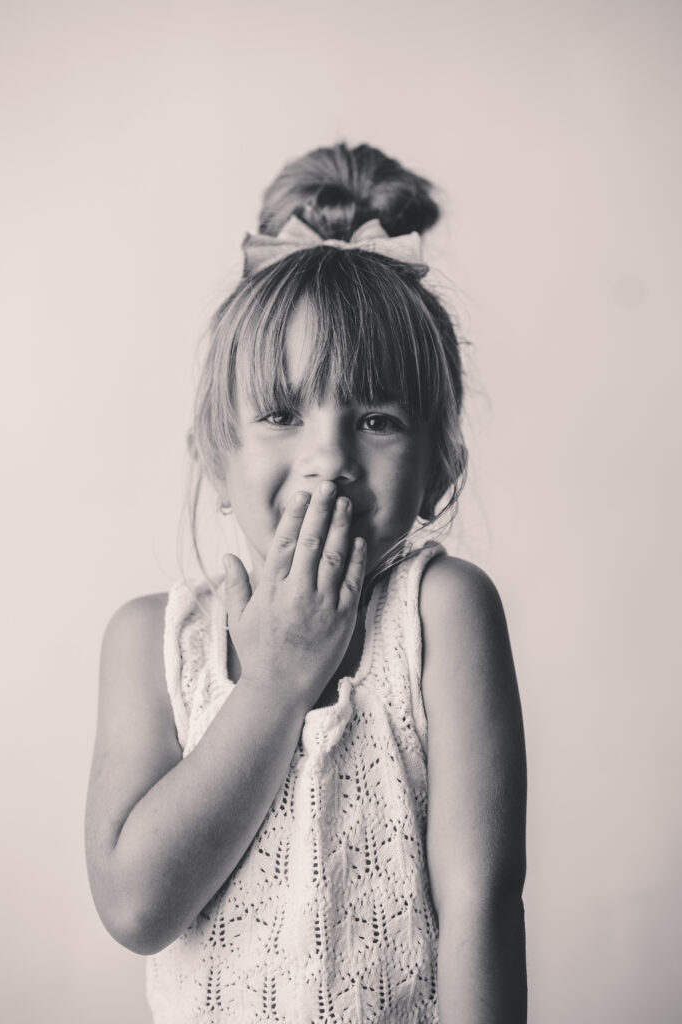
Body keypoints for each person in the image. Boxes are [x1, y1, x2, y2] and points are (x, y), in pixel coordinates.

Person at [86, 142, 527, 1023]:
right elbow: (137, 908)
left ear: (440, 469)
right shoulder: (151, 641)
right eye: (283, 414)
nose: (328, 459)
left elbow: (481, 905)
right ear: (216, 461)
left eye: (375, 419)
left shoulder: (442, 615)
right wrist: (281, 676)